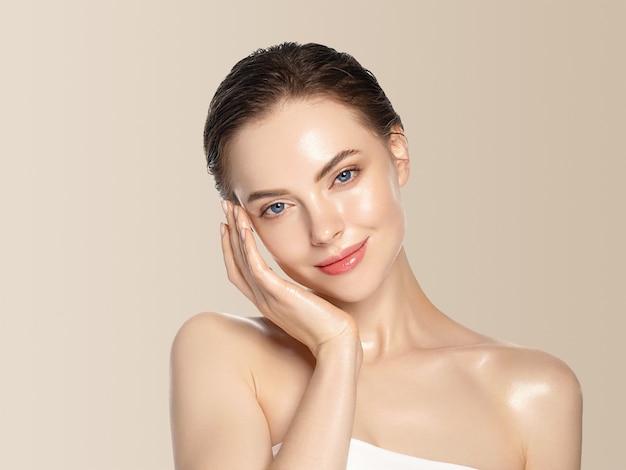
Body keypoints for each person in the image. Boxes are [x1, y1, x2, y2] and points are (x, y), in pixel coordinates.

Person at [170, 42, 582, 470]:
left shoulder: (532, 395)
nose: (324, 229)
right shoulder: (224, 353)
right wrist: (336, 350)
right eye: (277, 207)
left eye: (343, 176)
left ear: (397, 154)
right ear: (244, 225)